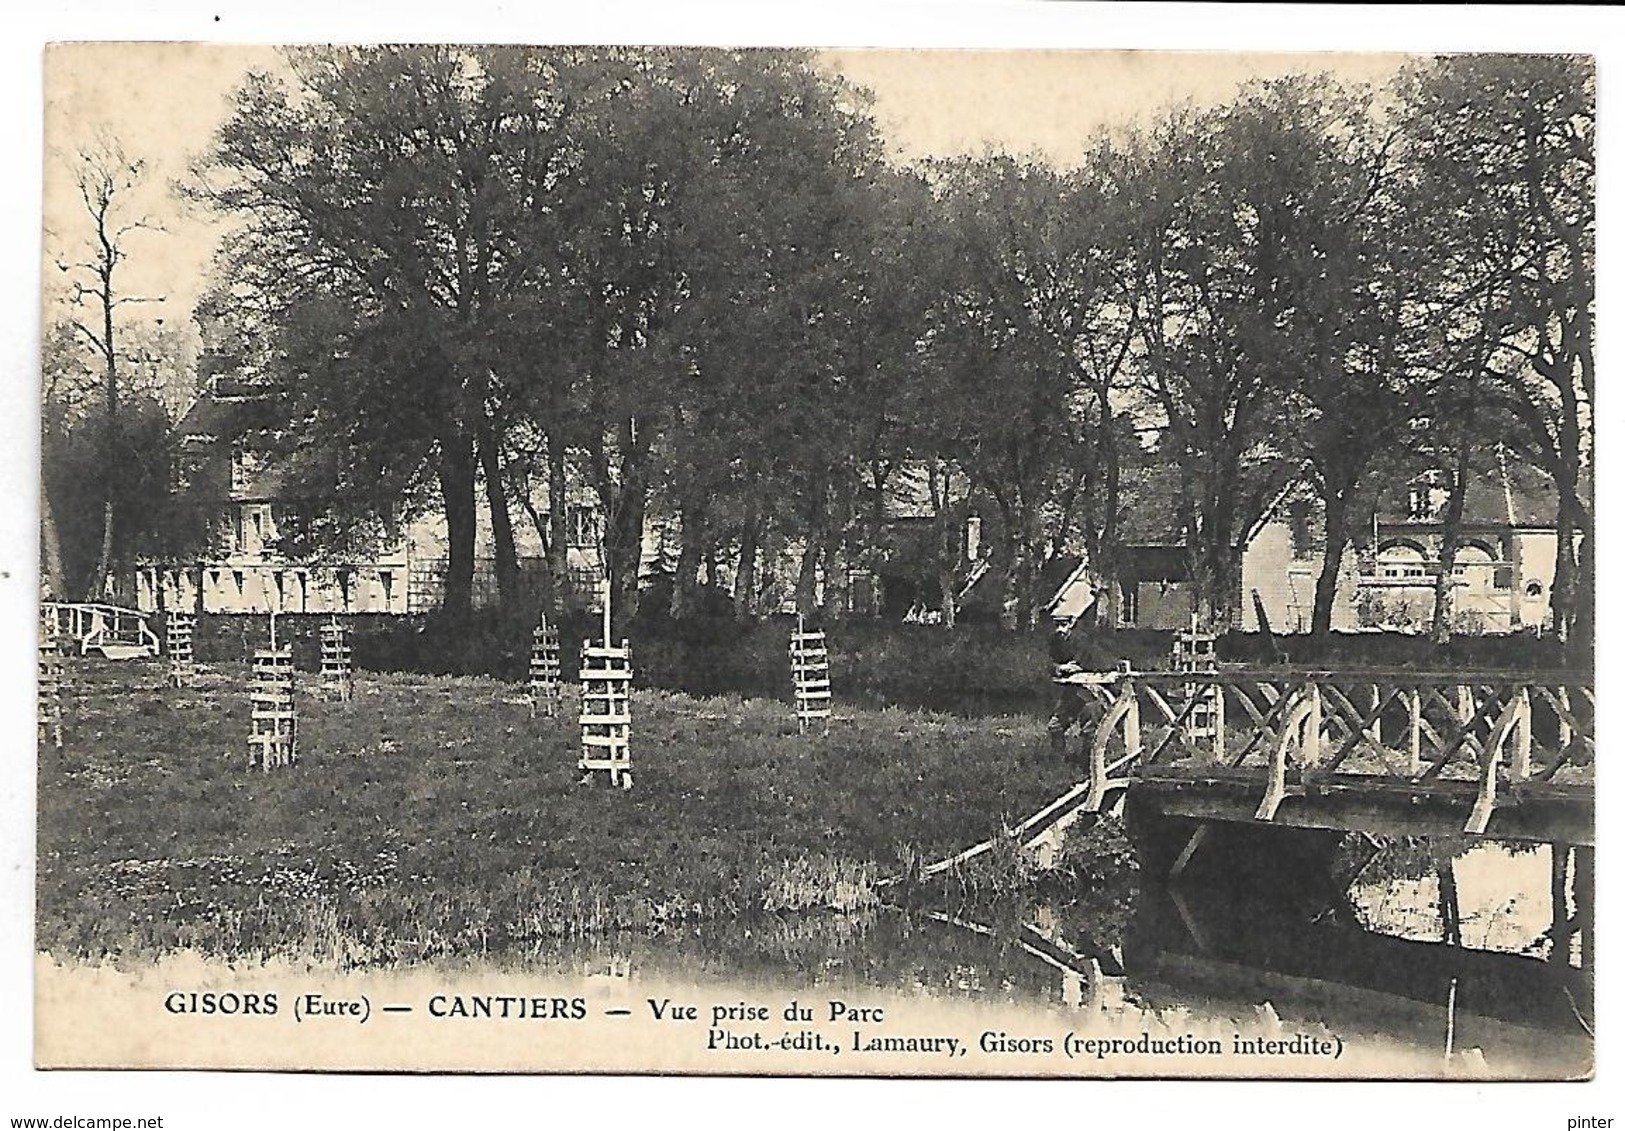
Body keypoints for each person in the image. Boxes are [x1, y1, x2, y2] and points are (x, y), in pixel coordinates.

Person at [1045, 594, 1118, 757]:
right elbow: (1049, 663)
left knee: (1089, 727)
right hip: (1072, 690)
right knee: (1055, 725)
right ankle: (1058, 761)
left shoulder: (1083, 639)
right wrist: (1060, 668)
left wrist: (1078, 668)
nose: (1059, 629)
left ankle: (1087, 763)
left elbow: (1097, 663)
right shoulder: (1055, 640)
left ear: (1072, 622)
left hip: (1092, 690)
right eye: (1056, 624)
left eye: (1063, 624)